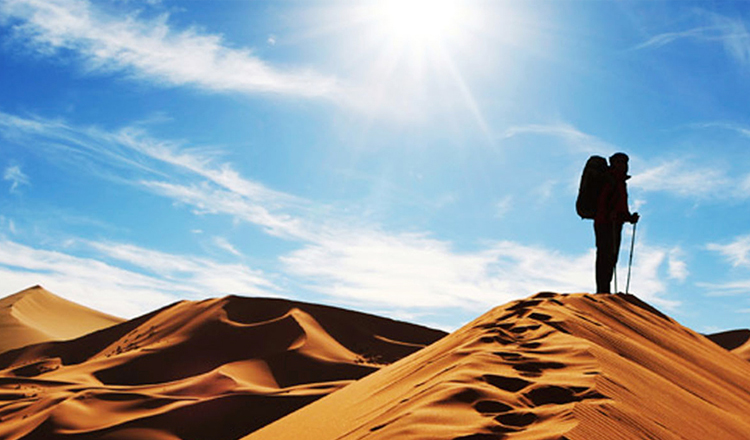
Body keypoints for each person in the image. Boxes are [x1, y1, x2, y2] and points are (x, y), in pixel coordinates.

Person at [595, 152, 639, 293]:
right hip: (605, 223)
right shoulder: (610, 180)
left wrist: (629, 218)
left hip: (615, 223)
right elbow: (602, 203)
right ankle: (602, 291)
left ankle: (604, 290)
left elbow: (620, 207)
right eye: (619, 162)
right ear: (613, 163)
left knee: (612, 257)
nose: (623, 165)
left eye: (625, 162)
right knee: (605, 256)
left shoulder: (620, 182)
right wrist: (610, 214)